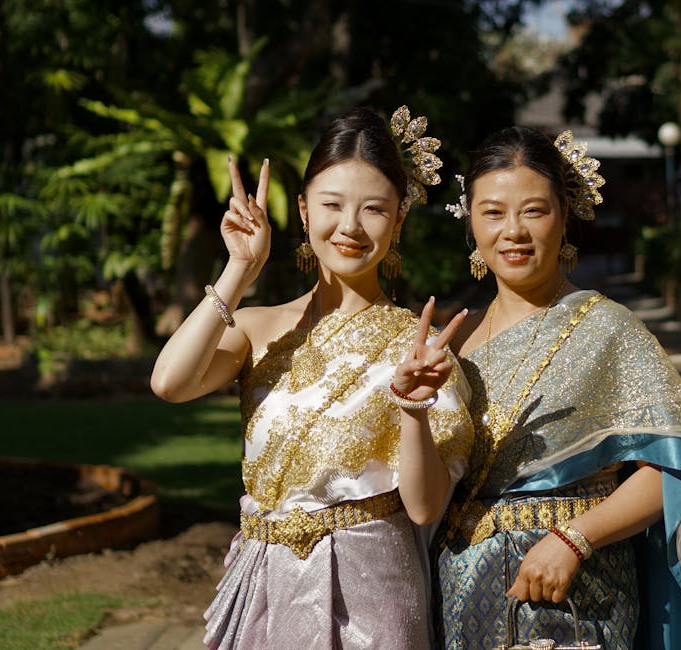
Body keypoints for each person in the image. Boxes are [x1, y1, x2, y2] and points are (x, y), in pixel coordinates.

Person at [150, 106, 473, 649]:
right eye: (331, 204)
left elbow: (424, 508)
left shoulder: (419, 349)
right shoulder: (256, 328)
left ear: (398, 221)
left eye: (374, 209)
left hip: (371, 596)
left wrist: (414, 407)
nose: (350, 227)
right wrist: (239, 269)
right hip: (265, 586)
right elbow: (169, 383)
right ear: (302, 210)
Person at [434, 126, 681, 649]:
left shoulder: (607, 329)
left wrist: (575, 539)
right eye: (493, 212)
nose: (513, 231)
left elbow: (669, 471)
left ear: (564, 214)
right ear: (471, 222)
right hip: (465, 589)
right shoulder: (453, 342)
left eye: (534, 211)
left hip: (577, 594)